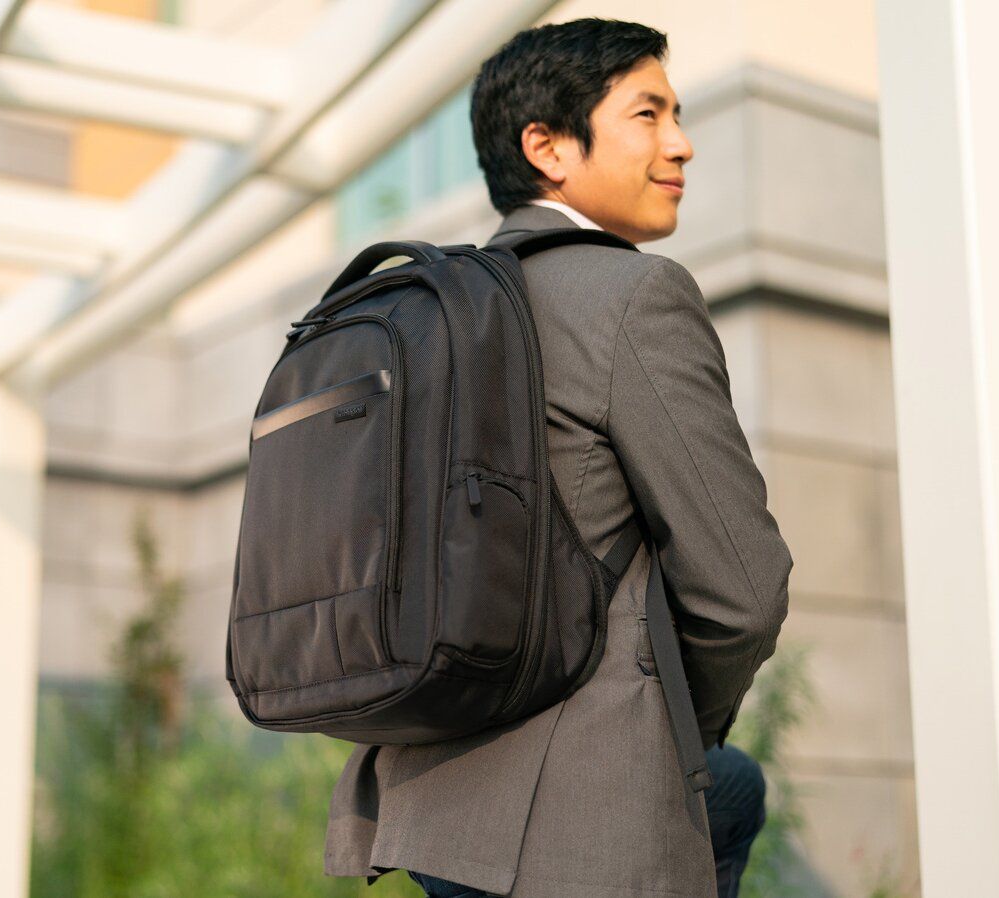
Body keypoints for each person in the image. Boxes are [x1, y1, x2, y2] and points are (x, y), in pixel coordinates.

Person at [323, 18, 793, 898]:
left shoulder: (421, 312)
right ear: (546, 147)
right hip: (579, 825)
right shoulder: (634, 294)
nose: (681, 143)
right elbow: (744, 590)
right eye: (647, 114)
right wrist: (681, 730)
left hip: (426, 803)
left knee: (732, 791)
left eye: (677, 115)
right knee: (725, 784)